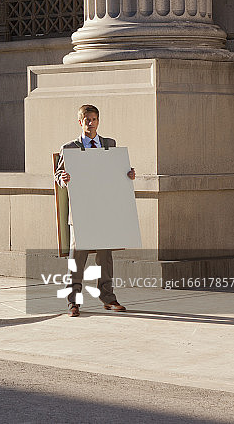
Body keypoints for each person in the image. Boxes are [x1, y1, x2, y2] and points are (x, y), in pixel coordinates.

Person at [54, 104, 136, 317]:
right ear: (80, 122)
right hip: (81, 212)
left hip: (103, 210)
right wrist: (63, 179)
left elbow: (115, 173)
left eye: (94, 119)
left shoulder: (110, 144)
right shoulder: (69, 148)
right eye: (87, 119)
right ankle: (73, 302)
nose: (91, 123)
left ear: (98, 121)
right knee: (77, 259)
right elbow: (58, 174)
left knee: (105, 259)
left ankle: (108, 298)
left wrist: (127, 175)